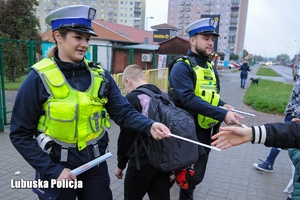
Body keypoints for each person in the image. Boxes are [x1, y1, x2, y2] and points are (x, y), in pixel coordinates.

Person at [9, 5, 170, 200]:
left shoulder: (100, 75)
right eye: (78, 37)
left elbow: (123, 112)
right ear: (58, 36)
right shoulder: (38, 78)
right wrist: (53, 171)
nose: (84, 44)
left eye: (87, 38)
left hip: (94, 165)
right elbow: (20, 134)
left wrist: (150, 125)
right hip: (57, 169)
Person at [168, 18, 244, 200]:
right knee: (170, 178)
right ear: (192, 40)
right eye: (206, 38)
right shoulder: (182, 67)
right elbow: (188, 99)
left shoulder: (210, 67)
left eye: (212, 39)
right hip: (183, 135)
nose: (211, 43)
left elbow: (210, 97)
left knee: (191, 181)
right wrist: (223, 113)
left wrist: (223, 104)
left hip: (204, 134)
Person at [113, 64, 172, 200]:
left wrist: (120, 165)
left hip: (140, 162)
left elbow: (125, 138)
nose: (127, 91)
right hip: (162, 162)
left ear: (128, 81)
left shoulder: (132, 99)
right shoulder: (163, 96)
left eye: (125, 86)